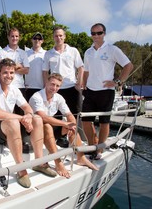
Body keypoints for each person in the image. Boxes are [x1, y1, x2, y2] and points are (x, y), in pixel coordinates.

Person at [0, 58, 57, 188]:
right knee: (13, 122)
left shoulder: (14, 89)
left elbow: (27, 107)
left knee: (37, 119)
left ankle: (39, 162)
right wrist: (21, 119)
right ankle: (21, 169)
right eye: (5, 72)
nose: (8, 76)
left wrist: (28, 115)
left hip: (8, 124)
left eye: (11, 73)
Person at [29, 73, 98, 178]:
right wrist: (66, 123)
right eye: (52, 84)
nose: (54, 88)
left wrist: (72, 125)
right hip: (34, 131)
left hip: (50, 129)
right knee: (47, 126)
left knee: (70, 127)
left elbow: (69, 114)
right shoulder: (37, 97)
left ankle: (81, 157)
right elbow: (44, 117)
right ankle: (58, 163)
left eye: (57, 86)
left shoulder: (58, 97)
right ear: (46, 83)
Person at [82, 23, 134, 159]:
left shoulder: (112, 49)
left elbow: (128, 66)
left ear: (104, 33)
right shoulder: (88, 52)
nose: (96, 36)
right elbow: (86, 71)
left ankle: (100, 148)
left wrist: (118, 82)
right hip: (90, 91)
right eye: (93, 33)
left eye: (99, 33)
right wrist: (83, 84)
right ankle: (91, 145)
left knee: (104, 122)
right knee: (86, 121)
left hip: (106, 91)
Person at [42, 26, 84, 117]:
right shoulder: (48, 53)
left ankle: (76, 132)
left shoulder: (73, 51)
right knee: (57, 118)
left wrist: (79, 83)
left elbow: (81, 68)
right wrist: (47, 85)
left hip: (72, 88)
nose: (58, 38)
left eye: (60, 35)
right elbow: (45, 72)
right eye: (56, 36)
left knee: (76, 117)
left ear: (65, 36)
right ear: (53, 37)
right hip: (56, 90)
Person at [0, 27, 29, 114]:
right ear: (8, 37)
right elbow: (1, 70)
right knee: (7, 115)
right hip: (5, 87)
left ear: (19, 37)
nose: (14, 38)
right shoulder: (1, 52)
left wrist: (9, 68)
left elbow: (26, 70)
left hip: (20, 87)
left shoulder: (23, 53)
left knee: (22, 115)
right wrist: (17, 66)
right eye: (12, 36)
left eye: (16, 36)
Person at [25, 32, 46, 102]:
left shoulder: (47, 53)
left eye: (39, 39)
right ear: (32, 40)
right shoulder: (25, 54)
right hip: (28, 88)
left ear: (42, 41)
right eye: (35, 38)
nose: (37, 40)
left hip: (42, 88)